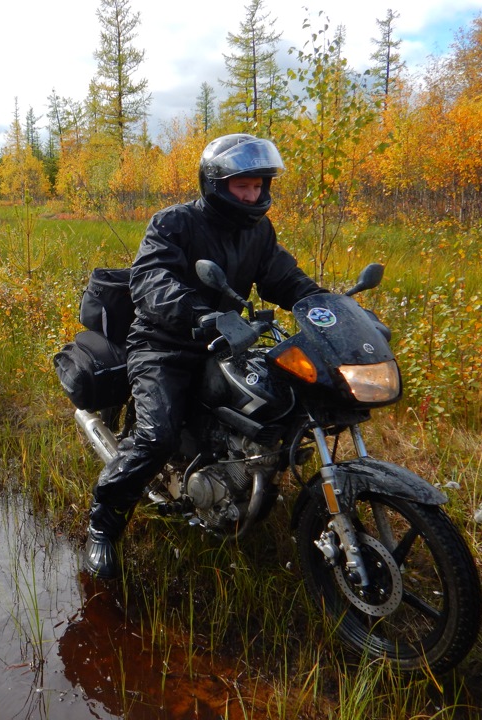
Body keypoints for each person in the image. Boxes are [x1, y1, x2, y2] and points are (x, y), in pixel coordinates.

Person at [84, 134, 326, 579]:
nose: (253, 195)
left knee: (289, 413)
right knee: (155, 439)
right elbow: (151, 281)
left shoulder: (258, 230)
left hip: (230, 341)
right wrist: (200, 314)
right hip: (164, 343)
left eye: (258, 186)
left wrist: (327, 307)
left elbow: (285, 278)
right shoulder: (173, 224)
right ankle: (103, 524)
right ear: (216, 184)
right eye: (242, 187)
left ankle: (236, 476)